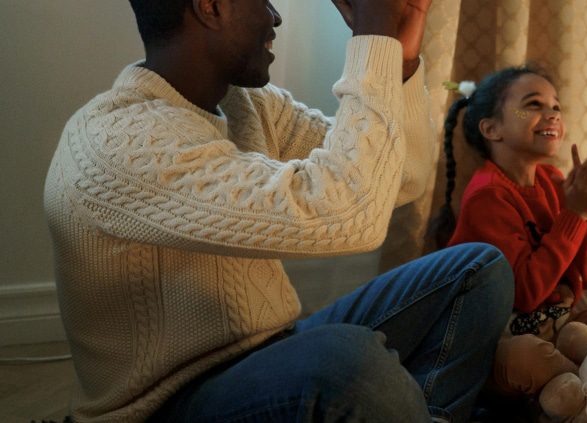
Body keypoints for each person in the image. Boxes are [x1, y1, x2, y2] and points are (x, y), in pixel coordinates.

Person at [42, 0, 512, 421]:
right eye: (264, 0)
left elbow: (398, 179)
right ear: (211, 7)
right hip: (171, 401)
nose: (276, 16)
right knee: (347, 362)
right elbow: (351, 214)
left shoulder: (246, 102)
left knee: (478, 267)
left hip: (272, 348)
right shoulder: (119, 142)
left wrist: (401, 60)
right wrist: (373, 41)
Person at [437, 67, 587, 413]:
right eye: (533, 104)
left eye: (556, 106)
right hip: (500, 348)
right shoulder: (487, 197)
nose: (552, 113)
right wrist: (574, 216)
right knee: (527, 356)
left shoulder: (552, 180)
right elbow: (525, 293)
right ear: (492, 129)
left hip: (560, 330)